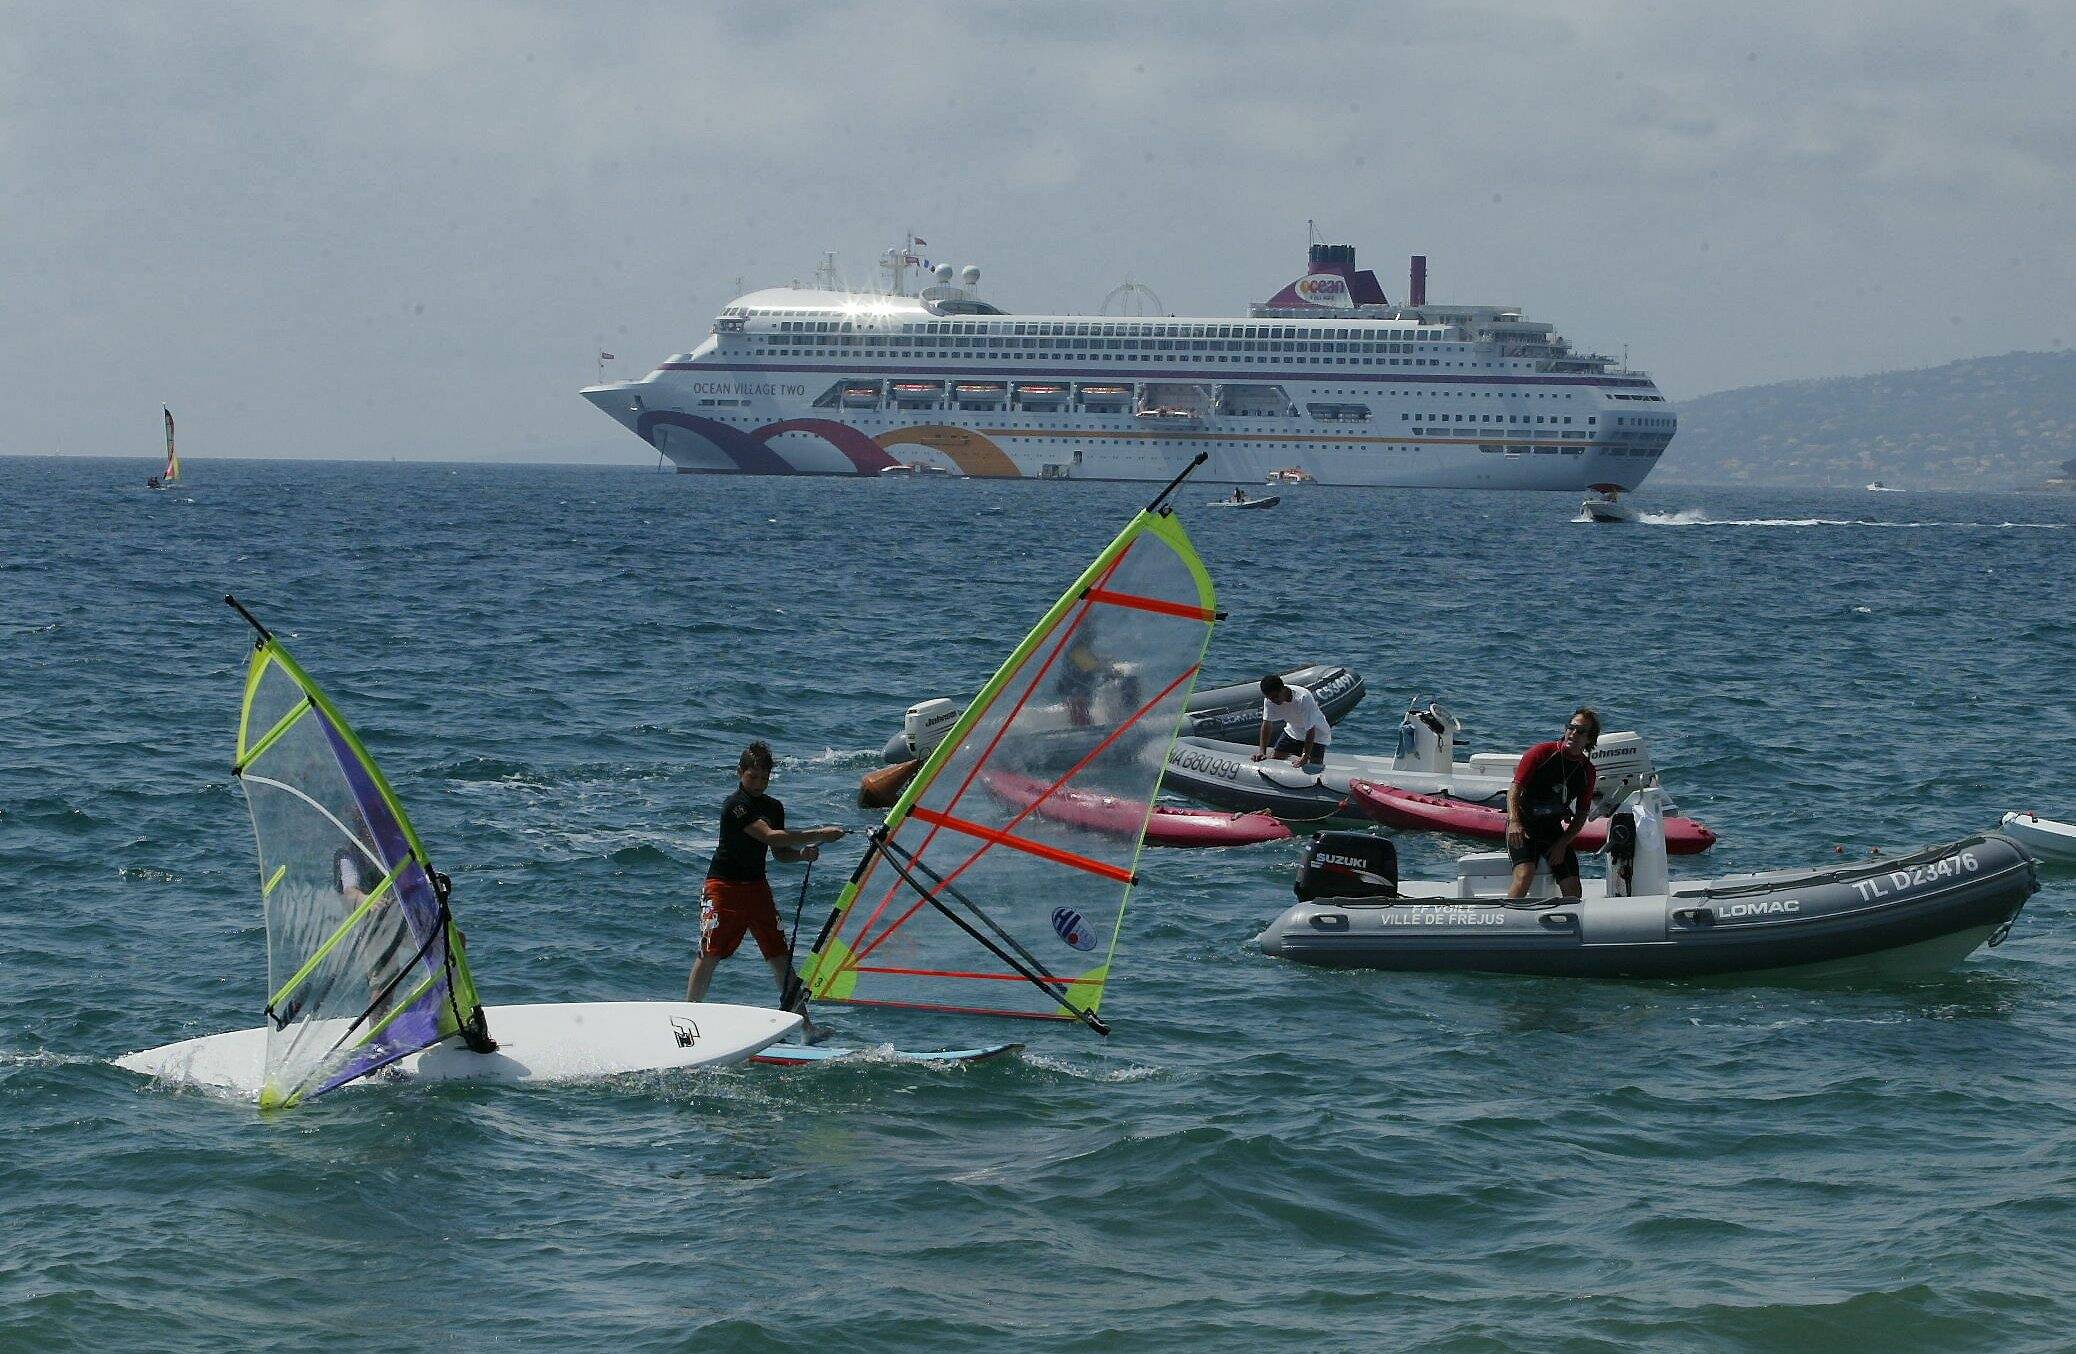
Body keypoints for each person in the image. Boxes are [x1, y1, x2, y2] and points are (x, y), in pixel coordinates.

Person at [687, 741, 846, 1040]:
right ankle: (685, 1023)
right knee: (710, 953)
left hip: (757, 889)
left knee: (780, 958)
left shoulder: (773, 807)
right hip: (723, 887)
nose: (758, 784)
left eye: (764, 778)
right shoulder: (735, 806)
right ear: (740, 773)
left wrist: (802, 855)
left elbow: (779, 852)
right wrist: (821, 833)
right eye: (752, 777)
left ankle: (806, 1028)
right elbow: (771, 836)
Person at [1505, 708, 1600, 900]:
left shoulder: (1586, 770)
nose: (1573, 733)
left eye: (1580, 731)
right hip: (1524, 826)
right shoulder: (1541, 753)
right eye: (1570, 728)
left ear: (1589, 739)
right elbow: (1514, 790)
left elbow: (1582, 813)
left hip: (1553, 832)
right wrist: (1514, 821)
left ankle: (1566, 925)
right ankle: (1506, 920)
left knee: (1572, 887)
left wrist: (1562, 844)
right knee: (1525, 874)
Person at [1252, 674, 1332, 769]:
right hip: (1293, 731)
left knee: (1312, 767)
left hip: (1317, 735)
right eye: (1270, 698)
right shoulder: (1269, 701)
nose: (1273, 701)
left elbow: (1310, 730)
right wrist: (1262, 752)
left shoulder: (1303, 697)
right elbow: (1267, 724)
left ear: (1283, 689)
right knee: (1274, 757)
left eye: (1275, 696)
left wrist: (1305, 756)